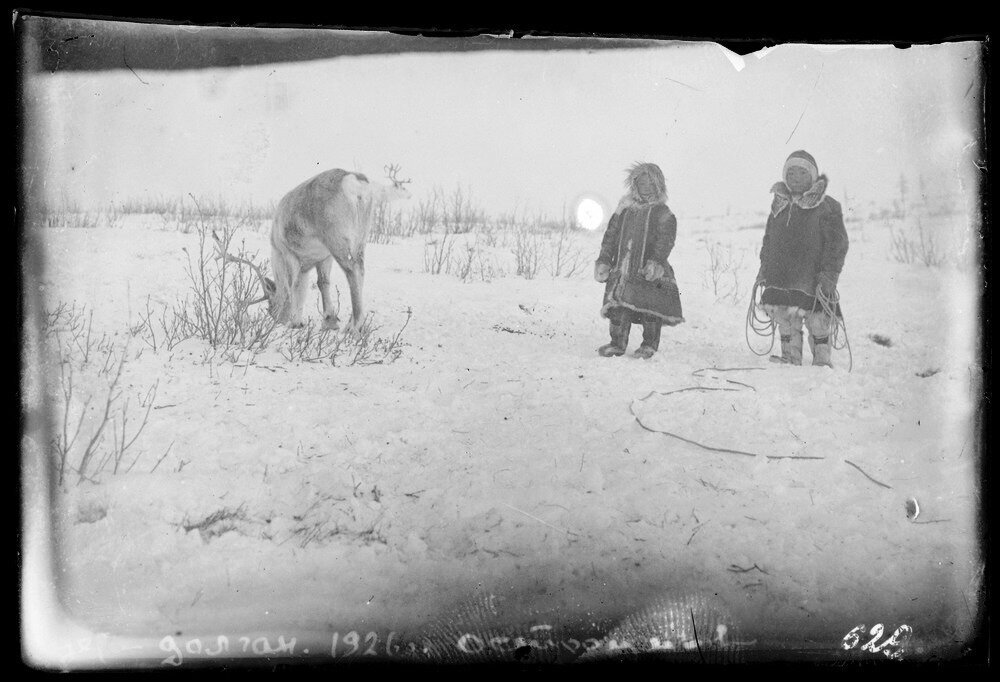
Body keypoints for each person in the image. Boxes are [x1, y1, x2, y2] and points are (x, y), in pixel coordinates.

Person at [755, 150, 849, 367]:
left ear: (813, 176)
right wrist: (764, 270)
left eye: (801, 173)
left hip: (813, 276)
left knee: (818, 321)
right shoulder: (779, 206)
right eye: (790, 173)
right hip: (781, 276)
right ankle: (790, 356)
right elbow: (769, 241)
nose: (794, 178)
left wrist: (830, 275)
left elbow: (837, 244)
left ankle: (822, 361)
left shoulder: (827, 207)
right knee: (785, 319)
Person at [594, 162, 684, 359]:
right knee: (618, 307)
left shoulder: (663, 213)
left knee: (650, 309)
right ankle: (617, 343)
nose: (645, 187)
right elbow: (610, 237)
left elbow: (665, 241)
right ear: (635, 184)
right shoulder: (624, 210)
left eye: (650, 183)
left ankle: (649, 345)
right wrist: (604, 260)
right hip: (623, 268)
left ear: (657, 185)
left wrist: (656, 262)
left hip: (649, 268)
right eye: (641, 183)